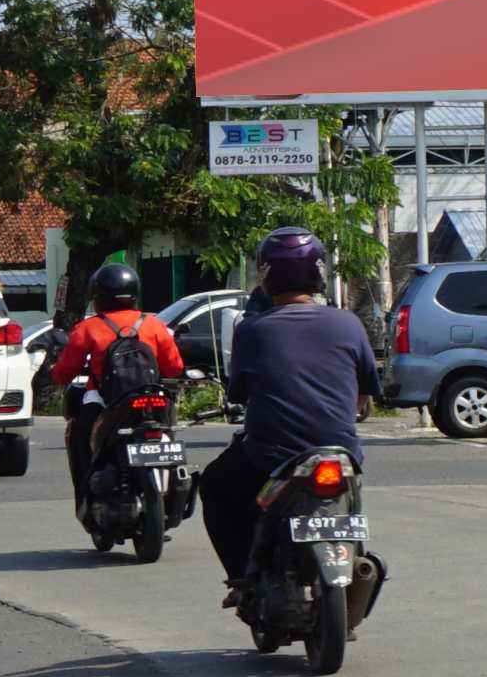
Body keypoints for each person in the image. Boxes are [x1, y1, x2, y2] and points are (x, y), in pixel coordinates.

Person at [196, 228, 381, 602]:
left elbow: (239, 393)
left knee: (215, 485)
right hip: (341, 453)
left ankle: (242, 579)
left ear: (267, 275)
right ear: (319, 272)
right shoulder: (348, 323)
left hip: (271, 456)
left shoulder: (252, 330)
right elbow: (364, 393)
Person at [49, 261, 185, 501]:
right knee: (169, 431)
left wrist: (57, 372)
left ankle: (86, 495)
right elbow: (174, 368)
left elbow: (64, 372)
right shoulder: (154, 325)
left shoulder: (88, 328)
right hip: (152, 398)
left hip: (104, 400)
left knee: (80, 434)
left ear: (97, 296)